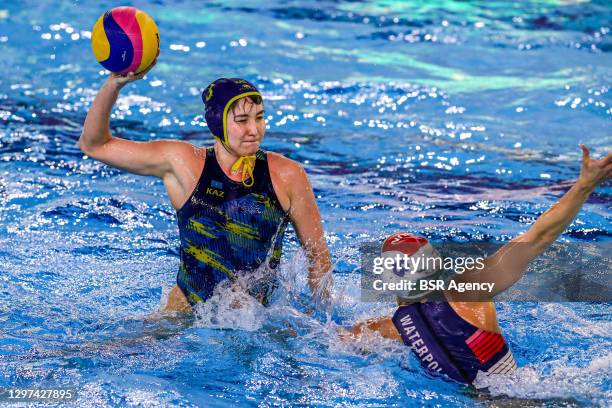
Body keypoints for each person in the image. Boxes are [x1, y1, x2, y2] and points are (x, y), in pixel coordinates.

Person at [79, 61, 331, 313]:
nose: (254, 130)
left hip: (256, 322)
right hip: (183, 319)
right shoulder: (183, 164)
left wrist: (321, 317)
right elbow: (94, 145)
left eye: (260, 117)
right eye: (242, 120)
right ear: (216, 122)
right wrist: (114, 85)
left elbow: (318, 255)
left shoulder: (287, 175)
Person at [346, 145, 611, 383]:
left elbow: (329, 340)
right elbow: (537, 237)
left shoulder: (385, 330)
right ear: (436, 268)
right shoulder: (466, 293)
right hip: (526, 398)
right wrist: (585, 185)